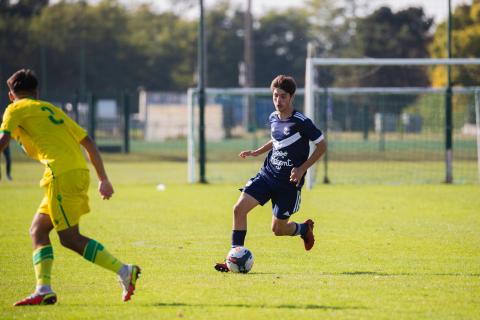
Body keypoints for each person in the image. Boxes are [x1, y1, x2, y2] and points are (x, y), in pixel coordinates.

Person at [0, 69, 141, 305]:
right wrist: (103, 179)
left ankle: (125, 270)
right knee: (38, 230)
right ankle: (43, 289)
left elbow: (3, 141)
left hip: (61, 175)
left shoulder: (14, 109)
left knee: (69, 238)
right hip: (74, 172)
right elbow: (88, 142)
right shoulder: (51, 110)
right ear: (37, 93)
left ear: (11, 95)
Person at [215, 75, 327, 272]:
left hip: (288, 184)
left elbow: (322, 146)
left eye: (283, 97)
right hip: (267, 175)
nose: (278, 101)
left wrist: (302, 169)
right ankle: (233, 258)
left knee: (278, 229)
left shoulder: (302, 122)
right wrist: (257, 151)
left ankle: (303, 229)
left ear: (291, 98)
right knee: (238, 209)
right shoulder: (273, 117)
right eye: (275, 96)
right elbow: (277, 141)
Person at [0, 105, 12, 181]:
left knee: (8, 159)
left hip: (4, 141)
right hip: (4, 141)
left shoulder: (3, 120)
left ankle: (8, 175)